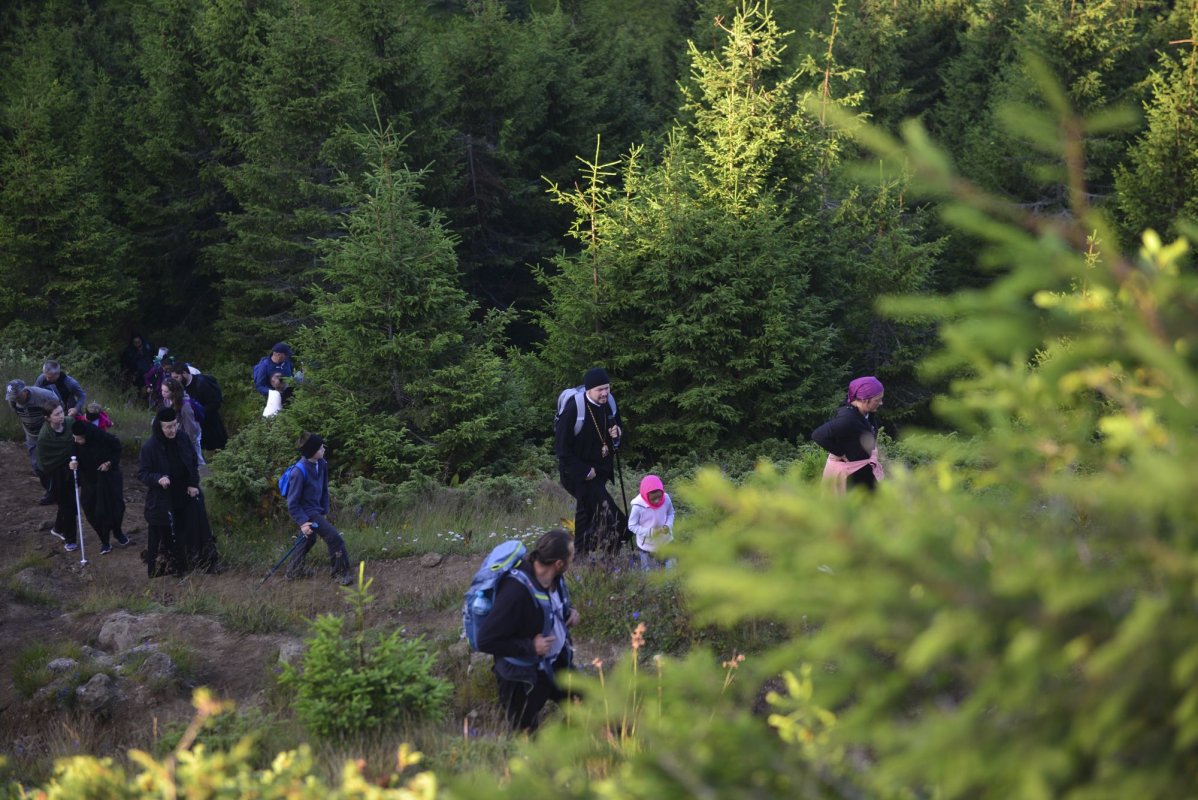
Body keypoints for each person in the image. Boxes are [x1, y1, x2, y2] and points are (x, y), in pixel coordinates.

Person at [476, 528, 580, 733]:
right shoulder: (515, 592)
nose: (573, 559)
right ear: (559, 563)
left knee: (589, 707)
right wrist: (531, 646)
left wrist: (570, 613)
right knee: (526, 734)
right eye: (572, 556)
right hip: (521, 677)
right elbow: (485, 640)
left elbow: (550, 607)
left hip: (556, 664)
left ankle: (575, 746)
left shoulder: (555, 579)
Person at [554, 367, 626, 556]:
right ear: (588, 390)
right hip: (576, 474)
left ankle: (581, 555)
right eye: (599, 389)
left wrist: (617, 434)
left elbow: (618, 433)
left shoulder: (610, 404)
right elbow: (561, 449)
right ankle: (610, 550)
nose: (604, 393)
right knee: (614, 518)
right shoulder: (573, 409)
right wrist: (584, 471)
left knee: (586, 513)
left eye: (606, 388)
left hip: (600, 471)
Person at [138, 408, 205, 577]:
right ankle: (175, 566)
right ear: (159, 427)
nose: (172, 430)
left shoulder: (182, 438)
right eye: (168, 427)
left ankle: (199, 561)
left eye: (174, 425)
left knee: (193, 526)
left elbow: (193, 461)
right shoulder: (150, 447)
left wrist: (193, 483)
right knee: (169, 532)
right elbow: (143, 473)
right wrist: (158, 478)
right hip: (164, 497)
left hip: (186, 492)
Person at [283, 433, 352, 585]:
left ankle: (294, 571)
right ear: (311, 451)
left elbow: (324, 489)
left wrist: (324, 510)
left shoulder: (321, 463)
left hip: (316, 509)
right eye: (320, 448)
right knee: (334, 538)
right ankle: (340, 573)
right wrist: (303, 523)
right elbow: (292, 503)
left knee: (308, 539)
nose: (324, 449)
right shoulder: (298, 472)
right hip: (306, 512)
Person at [811, 376, 886, 494]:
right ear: (864, 400)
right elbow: (818, 435)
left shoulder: (867, 413)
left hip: (864, 469)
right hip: (852, 476)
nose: (881, 403)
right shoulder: (847, 419)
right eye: (877, 400)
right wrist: (840, 453)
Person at [69, 420, 130, 554]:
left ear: (87, 436)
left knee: (116, 507)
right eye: (74, 438)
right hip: (89, 480)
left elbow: (117, 450)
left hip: (108, 478)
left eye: (79, 439)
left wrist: (109, 463)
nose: (76, 441)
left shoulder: (103, 438)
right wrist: (72, 463)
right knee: (92, 509)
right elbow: (72, 455)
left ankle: (118, 531)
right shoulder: (75, 442)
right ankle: (104, 540)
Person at [6, 378, 61, 503]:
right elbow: (19, 413)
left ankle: (54, 492)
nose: (15, 399)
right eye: (12, 397)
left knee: (52, 464)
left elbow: (58, 411)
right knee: (37, 466)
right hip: (31, 436)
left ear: (24, 390)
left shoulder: (44, 396)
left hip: (47, 434)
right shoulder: (13, 400)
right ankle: (51, 490)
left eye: (17, 396)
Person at [35, 404, 80, 550]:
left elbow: (77, 440)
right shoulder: (44, 437)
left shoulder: (70, 422)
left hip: (70, 467)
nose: (61, 416)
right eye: (56, 414)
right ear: (47, 418)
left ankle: (58, 529)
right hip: (52, 473)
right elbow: (44, 463)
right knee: (68, 505)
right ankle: (70, 539)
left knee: (67, 503)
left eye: (61, 412)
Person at [169, 362, 228, 451]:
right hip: (196, 425)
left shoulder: (202, 383)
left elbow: (215, 403)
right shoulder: (181, 387)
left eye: (176, 377)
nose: (175, 381)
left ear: (184, 373)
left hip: (211, 424)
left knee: (219, 448)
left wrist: (198, 411)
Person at [627, 474, 675, 569]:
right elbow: (632, 525)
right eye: (653, 499)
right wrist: (651, 532)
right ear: (645, 495)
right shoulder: (638, 506)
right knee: (649, 572)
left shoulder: (666, 498)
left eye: (659, 497)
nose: (657, 501)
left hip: (666, 542)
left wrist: (668, 525)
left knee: (671, 569)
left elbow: (671, 513)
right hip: (647, 546)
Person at [159, 377, 204, 463]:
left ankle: (202, 470)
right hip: (180, 432)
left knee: (197, 458)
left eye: (166, 391)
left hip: (192, 434)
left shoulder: (185, 407)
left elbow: (191, 428)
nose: (163, 393)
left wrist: (187, 443)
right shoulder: (167, 400)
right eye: (162, 390)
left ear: (173, 392)